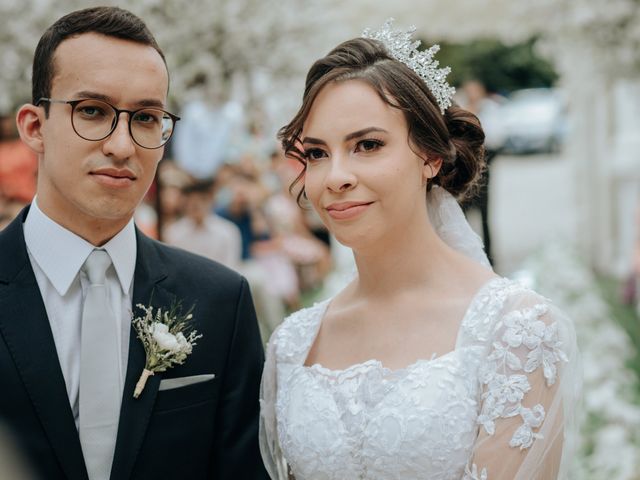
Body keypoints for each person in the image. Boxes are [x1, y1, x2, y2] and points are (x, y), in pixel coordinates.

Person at [259, 20, 580, 480]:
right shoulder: (293, 343)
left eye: (367, 145)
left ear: (430, 156)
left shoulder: (515, 332)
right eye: (316, 153)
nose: (335, 177)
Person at [0, 6, 267, 480]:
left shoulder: (221, 302)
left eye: (145, 117)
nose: (122, 145)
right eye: (92, 111)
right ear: (34, 127)